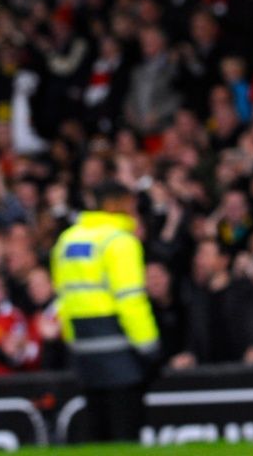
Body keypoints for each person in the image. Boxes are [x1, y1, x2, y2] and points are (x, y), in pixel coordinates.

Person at [51, 184, 161, 441]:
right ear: (114, 205)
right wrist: (149, 347)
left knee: (97, 434)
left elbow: (63, 300)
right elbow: (131, 300)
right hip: (121, 353)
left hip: (84, 354)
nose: (134, 212)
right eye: (130, 204)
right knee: (124, 435)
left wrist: (73, 342)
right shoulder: (120, 241)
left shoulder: (67, 240)